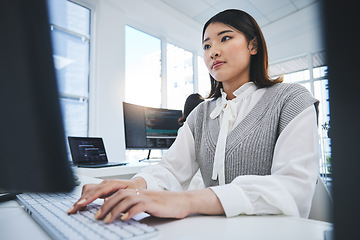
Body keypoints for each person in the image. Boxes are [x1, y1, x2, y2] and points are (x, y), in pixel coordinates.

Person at [68, 9, 320, 223]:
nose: (213, 52)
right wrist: (133, 186)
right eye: (207, 46)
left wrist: (188, 200)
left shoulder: (290, 99)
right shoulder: (201, 114)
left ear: (253, 45)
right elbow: (170, 170)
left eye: (225, 38)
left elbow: (293, 187)